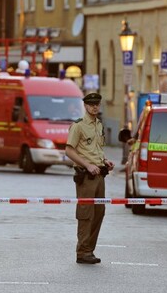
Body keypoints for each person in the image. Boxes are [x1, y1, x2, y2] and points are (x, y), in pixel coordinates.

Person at [65, 92, 115, 264]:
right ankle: (83, 251)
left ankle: (89, 250)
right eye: (91, 104)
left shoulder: (99, 125)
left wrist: (105, 161)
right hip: (86, 176)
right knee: (86, 214)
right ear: (85, 106)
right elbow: (69, 150)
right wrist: (87, 165)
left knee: (99, 213)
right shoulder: (78, 126)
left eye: (97, 104)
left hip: (99, 175)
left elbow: (96, 149)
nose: (95, 107)